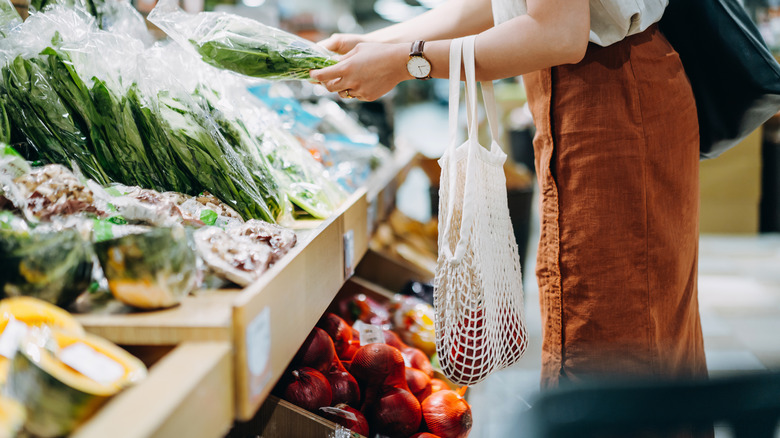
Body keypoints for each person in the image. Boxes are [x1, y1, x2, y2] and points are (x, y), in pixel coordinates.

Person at [311, 0, 708, 390]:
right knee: (630, 332)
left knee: (618, 344)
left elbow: (556, 33)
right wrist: (373, 44)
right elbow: (497, 5)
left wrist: (406, 61)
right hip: (596, 90)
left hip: (610, 97)